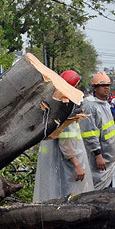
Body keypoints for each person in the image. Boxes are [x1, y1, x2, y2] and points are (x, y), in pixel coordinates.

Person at [34, 70, 93, 202]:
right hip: (68, 163)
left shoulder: (54, 102)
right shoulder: (66, 106)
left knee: (57, 193)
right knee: (70, 196)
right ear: (75, 86)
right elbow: (66, 140)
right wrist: (77, 165)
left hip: (56, 160)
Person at [81, 71, 115, 189]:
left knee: (107, 191)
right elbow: (90, 133)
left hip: (108, 160)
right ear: (95, 88)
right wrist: (98, 154)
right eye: (103, 86)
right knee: (98, 191)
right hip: (99, 159)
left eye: (108, 85)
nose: (107, 88)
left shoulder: (104, 104)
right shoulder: (90, 106)